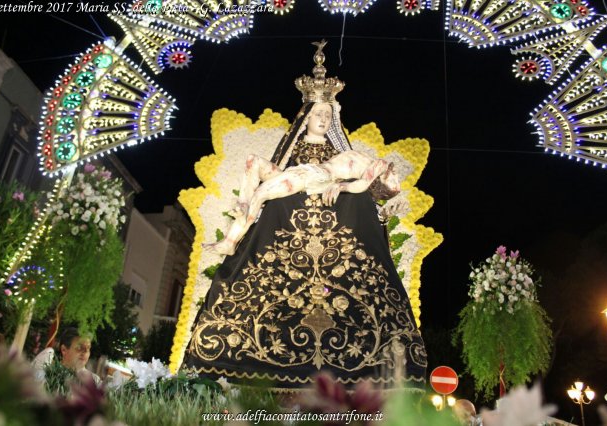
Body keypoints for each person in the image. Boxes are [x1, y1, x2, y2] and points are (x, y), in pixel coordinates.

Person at [183, 40, 427, 392]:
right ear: (305, 117)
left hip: (321, 193)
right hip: (295, 189)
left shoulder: (346, 158)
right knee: (267, 188)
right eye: (317, 115)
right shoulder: (294, 149)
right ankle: (239, 228)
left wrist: (344, 188)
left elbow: (368, 183)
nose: (323, 119)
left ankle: (237, 231)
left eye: (328, 116)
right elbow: (282, 168)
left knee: (304, 199)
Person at [205, 149, 400, 256]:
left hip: (317, 176)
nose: (396, 176)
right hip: (308, 171)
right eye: (396, 179)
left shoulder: (378, 167)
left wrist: (341, 187)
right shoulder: (374, 164)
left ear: (382, 184)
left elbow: (361, 185)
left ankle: (230, 242)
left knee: (261, 194)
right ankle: (243, 205)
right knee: (253, 161)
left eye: (394, 182)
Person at [32, 327, 101, 385]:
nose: (85, 352)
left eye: (88, 348)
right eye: (80, 348)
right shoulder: (47, 374)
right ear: (64, 350)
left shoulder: (95, 382)